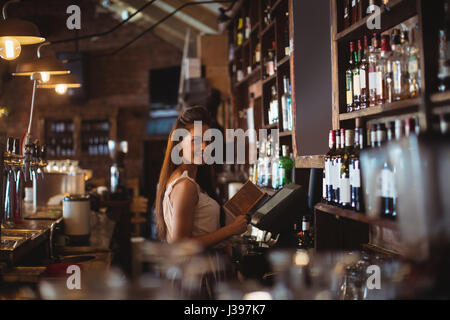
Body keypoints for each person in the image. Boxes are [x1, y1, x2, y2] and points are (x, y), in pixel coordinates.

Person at [154, 106, 248, 298]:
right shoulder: (185, 185)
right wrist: (230, 230)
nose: (205, 147)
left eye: (207, 141)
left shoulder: (183, 179)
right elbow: (181, 245)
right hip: (197, 275)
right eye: (196, 141)